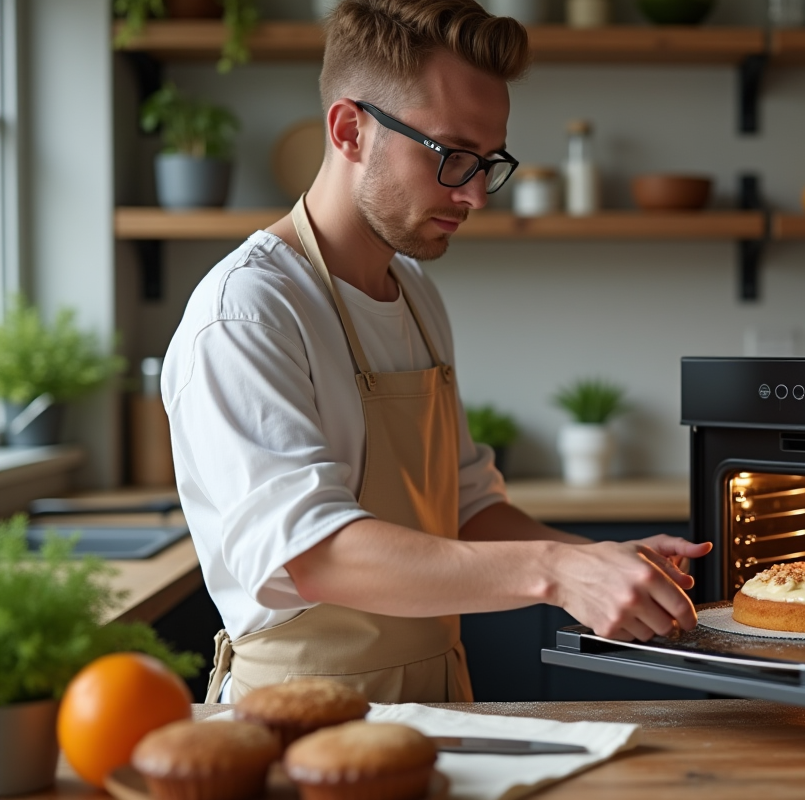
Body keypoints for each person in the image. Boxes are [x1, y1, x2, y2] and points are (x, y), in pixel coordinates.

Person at [162, 0, 711, 705]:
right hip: (301, 713)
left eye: (489, 162)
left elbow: (464, 505)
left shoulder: (415, 293)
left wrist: (596, 561)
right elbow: (314, 556)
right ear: (349, 130)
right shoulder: (248, 311)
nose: (477, 193)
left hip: (443, 698)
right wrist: (555, 573)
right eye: (452, 157)